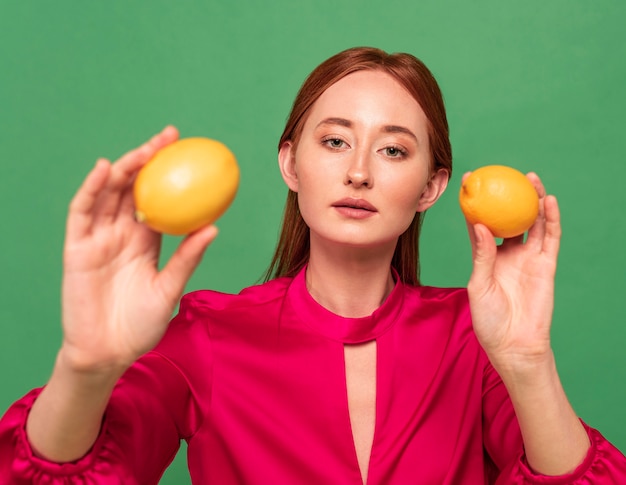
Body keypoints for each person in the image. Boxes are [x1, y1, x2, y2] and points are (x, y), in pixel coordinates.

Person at [0, 46, 625, 484]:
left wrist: (526, 360)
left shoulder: (474, 336)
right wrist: (85, 367)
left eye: (393, 149)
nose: (358, 170)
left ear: (432, 188)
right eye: (333, 140)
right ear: (290, 164)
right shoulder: (206, 334)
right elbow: (64, 473)